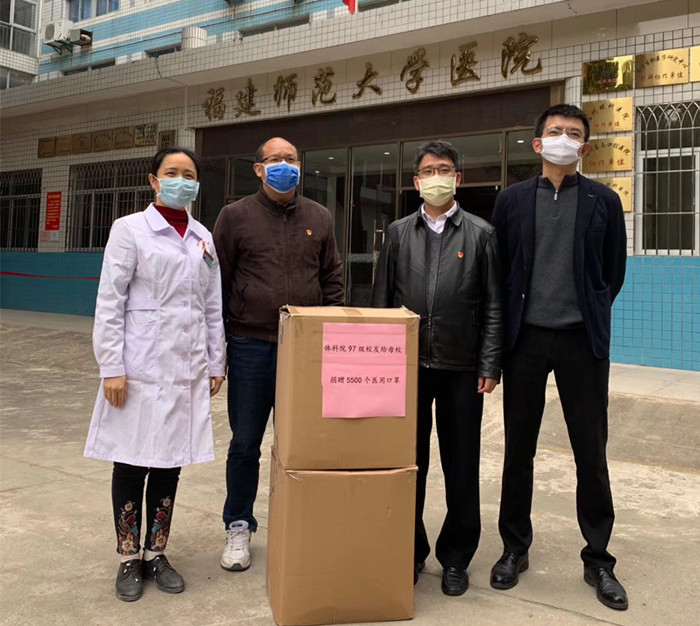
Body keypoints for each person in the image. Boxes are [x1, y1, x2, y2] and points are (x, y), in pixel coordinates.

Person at [490, 104, 628, 610]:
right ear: (537, 143)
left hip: (580, 342)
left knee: (590, 453)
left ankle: (598, 559)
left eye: (573, 133)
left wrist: (587, 312)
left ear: (584, 148)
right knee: (518, 451)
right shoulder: (511, 200)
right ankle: (514, 548)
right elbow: (500, 270)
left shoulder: (603, 200)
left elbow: (612, 272)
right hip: (525, 341)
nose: (563, 138)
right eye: (554, 131)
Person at [85, 146, 226, 602]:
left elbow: (211, 305)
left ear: (197, 184)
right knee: (130, 461)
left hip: (185, 367)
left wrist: (216, 360)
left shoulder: (203, 237)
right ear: (153, 180)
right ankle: (129, 556)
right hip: (138, 367)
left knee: (169, 463)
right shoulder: (130, 229)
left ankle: (156, 552)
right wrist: (112, 366)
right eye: (171, 172)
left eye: (188, 174)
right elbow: (111, 301)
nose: (180, 180)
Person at [371, 140, 503, 596]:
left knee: (461, 465)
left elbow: (494, 305)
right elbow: (381, 301)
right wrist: (380, 365)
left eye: (444, 169)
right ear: (416, 181)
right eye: (428, 171)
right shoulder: (397, 233)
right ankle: (409, 550)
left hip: (462, 366)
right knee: (409, 463)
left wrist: (490, 362)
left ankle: (456, 556)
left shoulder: (482, 234)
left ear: (458, 178)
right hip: (406, 367)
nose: (436, 177)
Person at [213, 136, 344, 572]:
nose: (284, 165)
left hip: (303, 346)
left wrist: (329, 337)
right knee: (245, 443)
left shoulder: (319, 216)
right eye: (275, 160)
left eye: (291, 159)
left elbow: (331, 279)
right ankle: (238, 525)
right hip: (249, 345)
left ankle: (303, 526)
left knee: (305, 444)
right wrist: (219, 345)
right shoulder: (235, 216)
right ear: (258, 169)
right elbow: (218, 283)